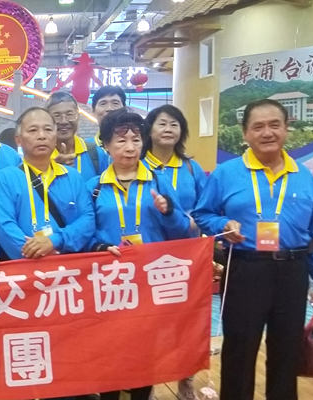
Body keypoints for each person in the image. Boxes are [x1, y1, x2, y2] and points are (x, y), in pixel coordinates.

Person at [192, 99, 313, 400]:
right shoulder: (226, 173)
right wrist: (223, 223)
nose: (267, 132)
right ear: (245, 133)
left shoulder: (304, 176)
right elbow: (202, 214)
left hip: (293, 270)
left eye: (274, 125)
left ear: (286, 129)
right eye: (258, 126)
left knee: (287, 349)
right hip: (246, 268)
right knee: (240, 347)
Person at [87, 108, 190, 400]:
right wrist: (98, 246)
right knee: (110, 348)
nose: (130, 147)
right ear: (106, 145)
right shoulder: (93, 187)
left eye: (135, 140)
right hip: (111, 281)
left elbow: (182, 231)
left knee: (145, 351)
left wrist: (168, 212)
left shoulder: (158, 181)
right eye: (121, 141)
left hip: (149, 280)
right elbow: (86, 231)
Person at [142, 104, 207, 400]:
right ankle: (148, 383)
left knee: (187, 322)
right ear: (150, 129)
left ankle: (186, 379)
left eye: (174, 124)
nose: (168, 129)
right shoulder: (137, 164)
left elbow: (207, 207)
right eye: (162, 123)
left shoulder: (191, 168)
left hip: (188, 256)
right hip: (150, 256)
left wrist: (196, 222)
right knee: (149, 324)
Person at [0, 107, 94, 260]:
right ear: (18, 140)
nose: (42, 136)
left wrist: (55, 241)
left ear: (55, 136)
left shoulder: (72, 176)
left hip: (68, 265)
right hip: (27, 266)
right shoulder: (6, 178)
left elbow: (88, 219)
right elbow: (4, 226)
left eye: (48, 130)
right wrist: (36, 253)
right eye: (33, 130)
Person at [46, 91, 109, 181]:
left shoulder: (96, 154)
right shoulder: (39, 156)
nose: (64, 121)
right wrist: (49, 169)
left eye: (69, 114)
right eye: (57, 116)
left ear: (78, 116)